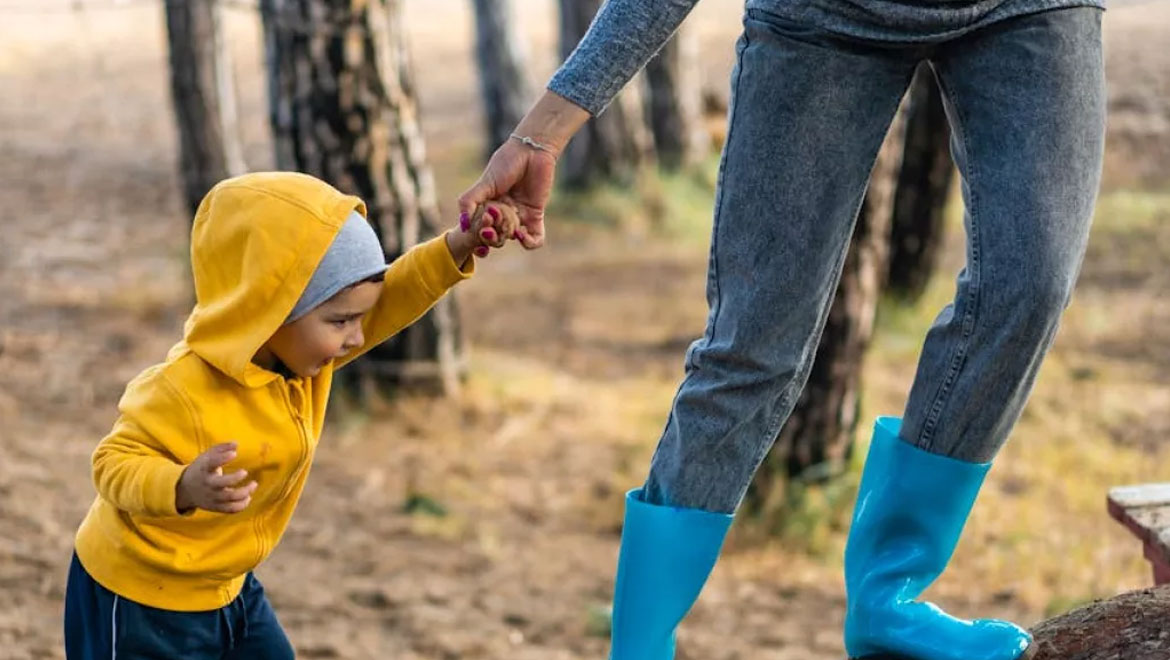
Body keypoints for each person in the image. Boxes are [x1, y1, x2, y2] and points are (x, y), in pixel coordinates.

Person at [458, 0, 1106, 657]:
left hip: (1024, 11)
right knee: (754, 350)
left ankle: (889, 597)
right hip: (824, 19)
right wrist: (543, 132)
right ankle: (640, 649)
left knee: (1030, 286)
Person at [64, 171, 520, 658]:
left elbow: (396, 294)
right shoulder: (181, 389)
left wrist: (458, 245)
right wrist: (180, 485)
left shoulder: (300, 361)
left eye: (360, 317)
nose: (358, 338)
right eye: (341, 321)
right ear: (269, 310)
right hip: (140, 599)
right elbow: (110, 462)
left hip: (230, 587)